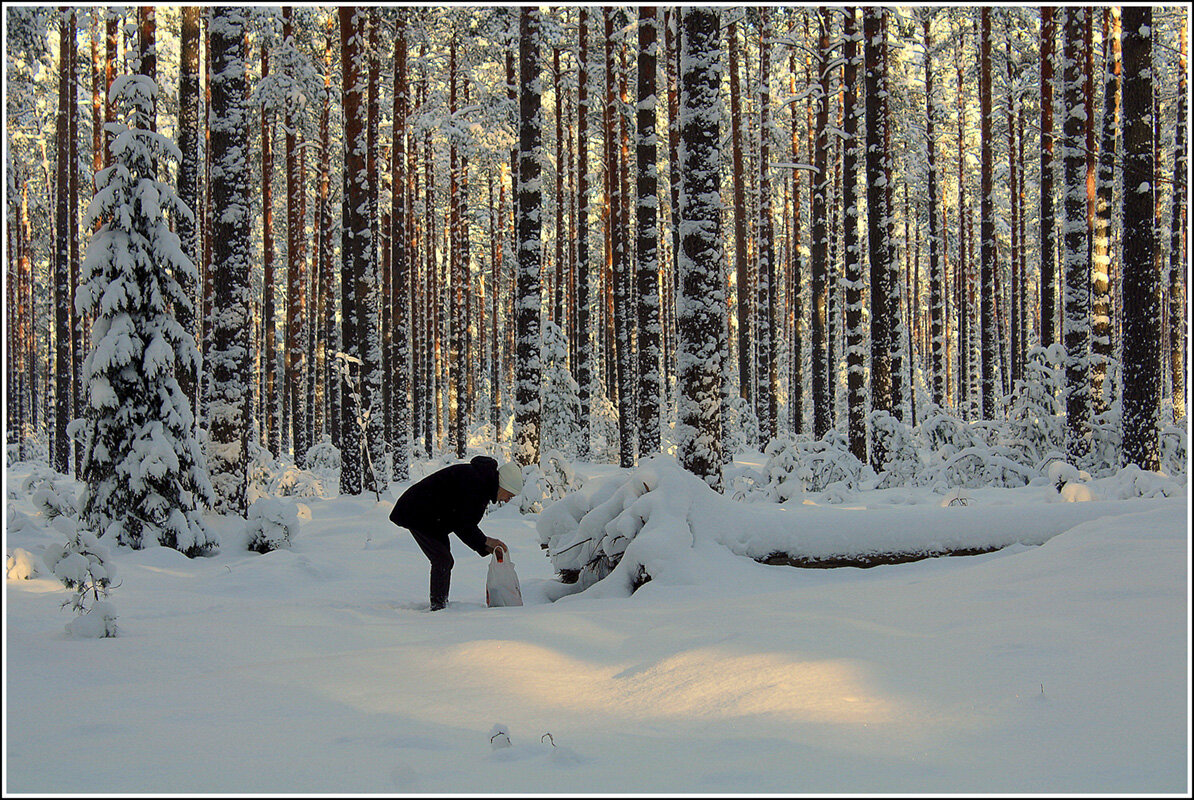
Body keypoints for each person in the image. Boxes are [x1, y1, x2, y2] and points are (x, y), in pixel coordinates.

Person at [389, 455, 523, 610]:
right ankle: (438, 608)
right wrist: (486, 542)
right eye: (509, 495)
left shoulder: (481, 481)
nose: (507, 500)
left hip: (435, 517)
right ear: (503, 485)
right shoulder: (477, 484)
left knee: (444, 560)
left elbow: (462, 523)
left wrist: (485, 545)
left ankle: (439, 605)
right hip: (417, 512)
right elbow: (463, 523)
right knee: (442, 559)